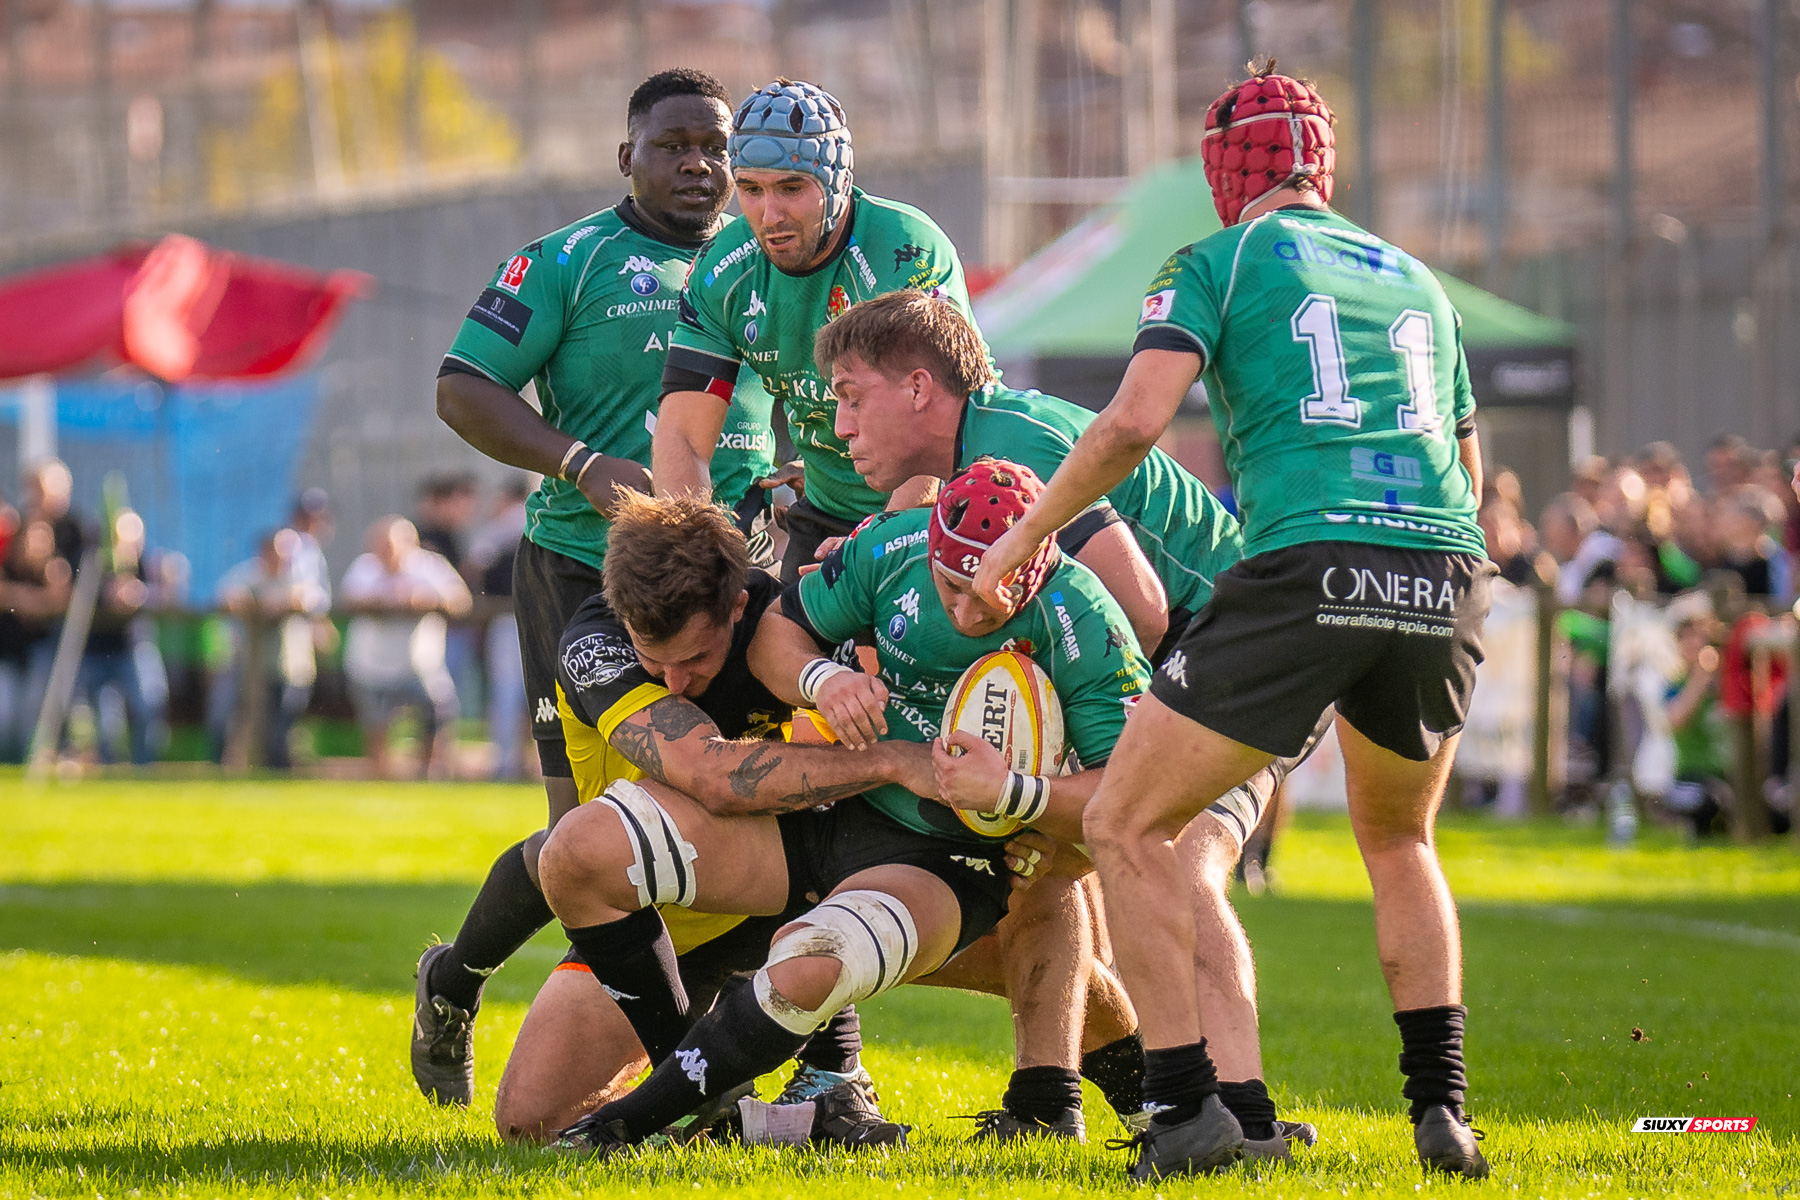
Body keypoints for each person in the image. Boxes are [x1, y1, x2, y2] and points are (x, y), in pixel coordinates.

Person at [971, 63, 1494, 1180]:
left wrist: (1020, 542)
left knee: (1123, 825)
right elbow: (1468, 466)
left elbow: (1129, 427)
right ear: (1326, 163)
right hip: (1443, 573)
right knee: (1401, 841)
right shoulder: (1419, 280)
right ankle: (1443, 1113)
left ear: (1225, 170)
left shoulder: (1216, 259)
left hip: (1308, 562)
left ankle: (1188, 1111)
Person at [812, 288, 1320, 1151]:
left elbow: (1145, 610)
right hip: (1211, 648)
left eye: (852, 396)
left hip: (1243, 649)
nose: (839, 425)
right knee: (1039, 848)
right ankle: (1053, 1099)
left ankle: (1243, 1121)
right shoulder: (975, 457)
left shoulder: (1013, 441)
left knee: (1166, 850)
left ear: (920, 388)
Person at [541, 461, 1153, 1155]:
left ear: (1038, 559)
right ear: (931, 548)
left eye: (996, 591)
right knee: (574, 852)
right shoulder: (889, 547)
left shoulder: (1088, 624)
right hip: (822, 821)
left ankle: (627, 1125)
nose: (970, 610)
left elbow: (1130, 803)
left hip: (940, 854)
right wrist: (821, 678)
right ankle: (1137, 1101)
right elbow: (784, 634)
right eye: (953, 586)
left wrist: (1019, 797)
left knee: (813, 959)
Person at [422, 67, 777, 1107]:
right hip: (580, 571)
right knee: (588, 838)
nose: (699, 163)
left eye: (714, 144)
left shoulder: (765, 263)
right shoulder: (568, 261)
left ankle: (724, 1071)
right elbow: (461, 387)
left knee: (746, 811)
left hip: (730, 582)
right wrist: (580, 464)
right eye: (674, 144)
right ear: (628, 155)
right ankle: (456, 982)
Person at [484, 490, 932, 1144]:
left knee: (1014, 909)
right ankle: (751, 1109)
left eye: (695, 659)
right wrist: (895, 762)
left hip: (774, 901)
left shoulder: (781, 621)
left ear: (738, 605)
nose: (672, 681)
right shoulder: (595, 642)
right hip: (645, 931)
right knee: (527, 1124)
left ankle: (1069, 1088)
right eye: (652, 656)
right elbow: (714, 776)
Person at [653, 78, 985, 576]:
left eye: (791, 188)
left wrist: (872, 555)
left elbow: (936, 422)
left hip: (946, 501)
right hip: (827, 512)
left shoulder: (905, 250)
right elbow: (682, 432)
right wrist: (691, 554)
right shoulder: (723, 269)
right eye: (750, 190)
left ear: (837, 184)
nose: (770, 215)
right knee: (768, 642)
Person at [340, 517, 473, 779]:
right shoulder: (364, 567)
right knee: (376, 722)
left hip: (420, 663)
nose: (384, 552)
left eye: (389, 545)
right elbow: (349, 600)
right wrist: (382, 602)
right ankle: (380, 776)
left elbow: (461, 601)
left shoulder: (430, 567)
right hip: (371, 663)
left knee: (438, 712)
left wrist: (429, 599)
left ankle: (429, 772)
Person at [213, 529, 327, 767]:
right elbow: (227, 597)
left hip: (294, 667)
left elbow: (312, 600)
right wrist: (255, 604)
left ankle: (279, 766)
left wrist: (282, 604)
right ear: (264, 552)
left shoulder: (300, 576)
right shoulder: (248, 575)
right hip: (255, 667)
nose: (283, 558)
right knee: (251, 720)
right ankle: (253, 765)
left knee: (285, 721)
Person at [463, 476, 532, 780]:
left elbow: (474, 565)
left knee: (507, 692)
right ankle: (536, 764)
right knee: (543, 692)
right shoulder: (543, 517)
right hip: (545, 616)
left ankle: (506, 763)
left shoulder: (504, 523)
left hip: (507, 619)